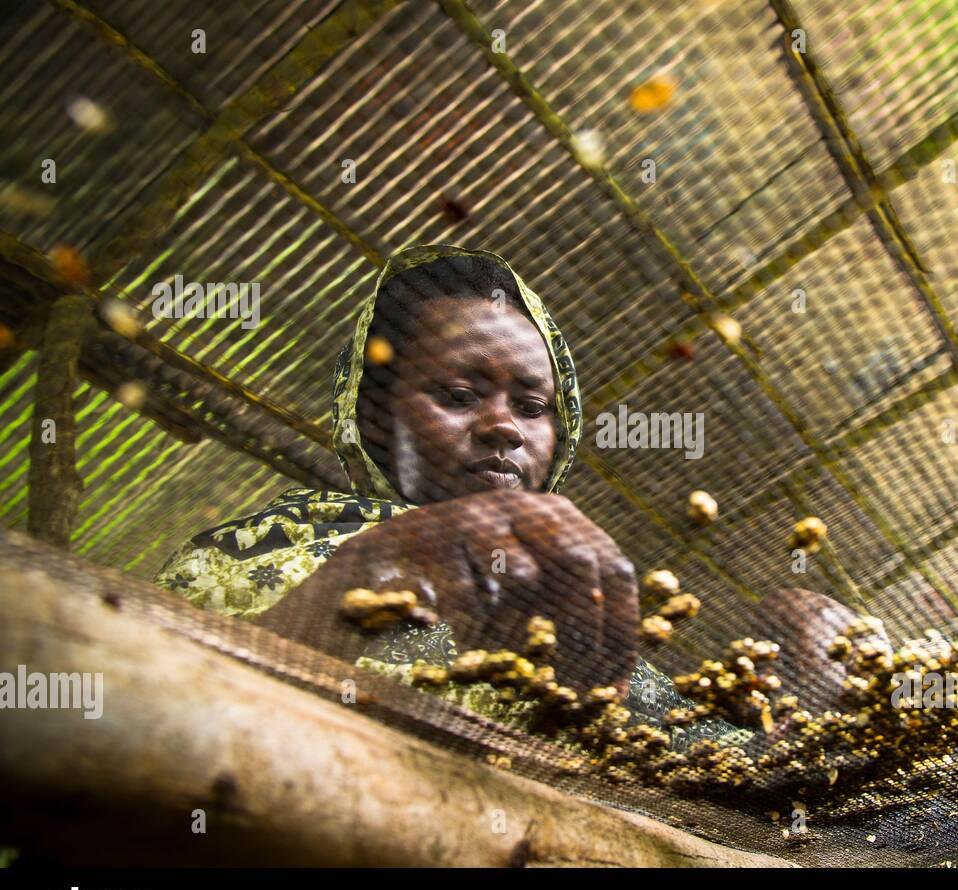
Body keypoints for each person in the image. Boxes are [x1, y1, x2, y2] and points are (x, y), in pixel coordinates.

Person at [156, 243, 856, 741]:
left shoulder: (585, 611)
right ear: (374, 413)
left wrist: (802, 706)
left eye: (531, 407)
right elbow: (173, 713)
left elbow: (703, 784)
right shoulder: (258, 554)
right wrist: (375, 568)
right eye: (459, 394)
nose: (502, 427)